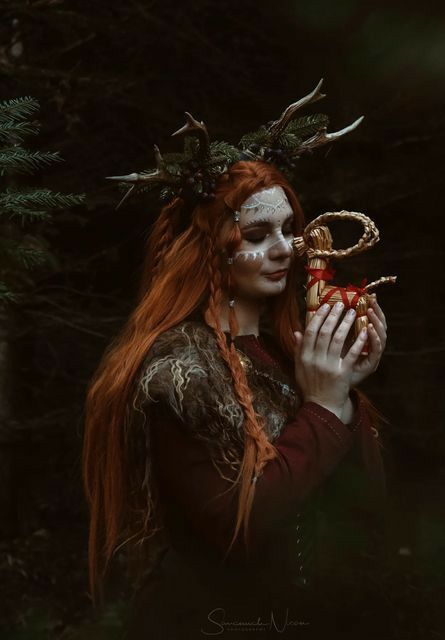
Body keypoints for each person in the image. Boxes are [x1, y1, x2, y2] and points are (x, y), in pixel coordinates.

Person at [83, 84, 390, 637]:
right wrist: (323, 406)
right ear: (210, 248)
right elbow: (236, 528)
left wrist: (348, 387)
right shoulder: (177, 369)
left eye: (289, 230)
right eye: (257, 234)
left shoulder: (284, 350)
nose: (284, 248)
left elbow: (360, 502)